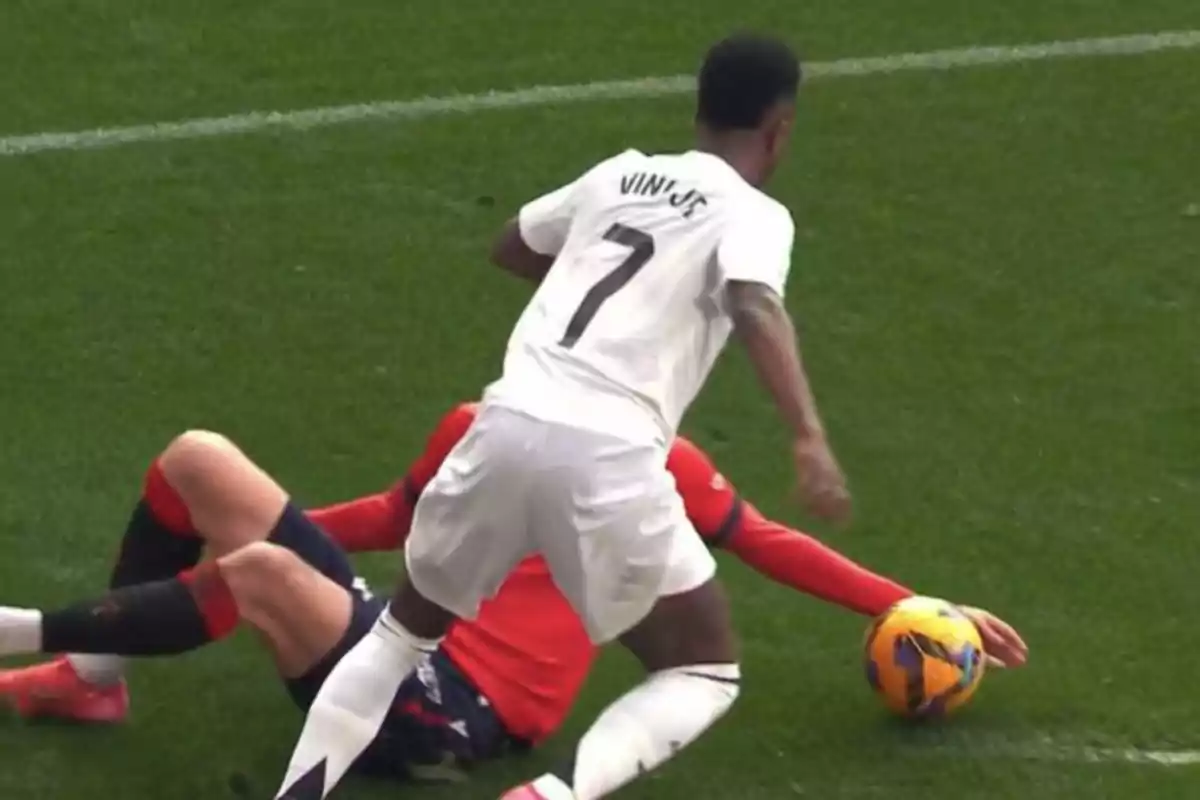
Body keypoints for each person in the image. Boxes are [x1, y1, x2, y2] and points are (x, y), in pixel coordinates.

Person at [272, 32, 884, 800]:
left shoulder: (619, 175)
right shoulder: (756, 215)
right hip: (608, 456)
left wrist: (598, 267)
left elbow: (512, 245)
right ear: (780, 127)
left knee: (399, 635)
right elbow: (754, 302)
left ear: (697, 109)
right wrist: (809, 438)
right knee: (702, 666)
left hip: (502, 425)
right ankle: (551, 796)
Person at [0, 403, 1026, 777]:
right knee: (199, 459)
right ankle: (94, 675)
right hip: (392, 632)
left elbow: (761, 538)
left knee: (263, 571)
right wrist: (277, 520)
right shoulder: (485, 422)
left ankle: (20, 629)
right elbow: (390, 517)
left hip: (460, 708)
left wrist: (906, 596)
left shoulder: (652, 457)